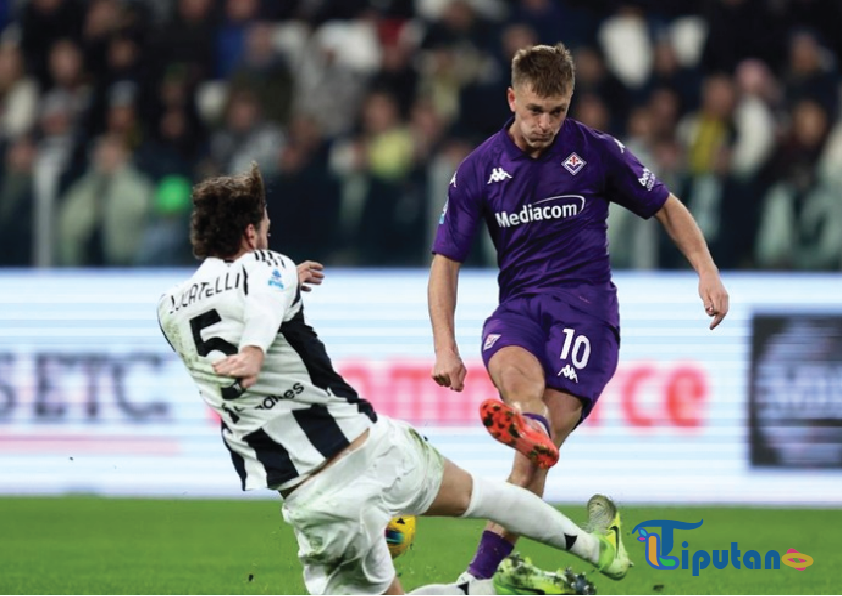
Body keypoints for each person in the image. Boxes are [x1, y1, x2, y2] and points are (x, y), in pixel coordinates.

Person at [156, 163, 631, 596]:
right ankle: (577, 556)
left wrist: (275, 304)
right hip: (371, 446)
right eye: (266, 229)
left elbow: (247, 297)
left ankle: (492, 589)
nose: (269, 236)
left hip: (311, 495)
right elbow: (261, 288)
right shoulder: (265, 267)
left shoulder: (170, 309)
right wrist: (258, 344)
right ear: (250, 234)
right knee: (488, 495)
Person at [428, 42, 730, 584]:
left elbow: (665, 205)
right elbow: (445, 262)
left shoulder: (596, 152)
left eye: (558, 111)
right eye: (534, 110)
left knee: (534, 459)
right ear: (512, 99)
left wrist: (706, 270)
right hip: (517, 309)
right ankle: (525, 428)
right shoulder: (478, 169)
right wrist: (444, 346)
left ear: (570, 103)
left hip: (587, 314)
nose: (546, 124)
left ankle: (485, 570)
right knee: (526, 406)